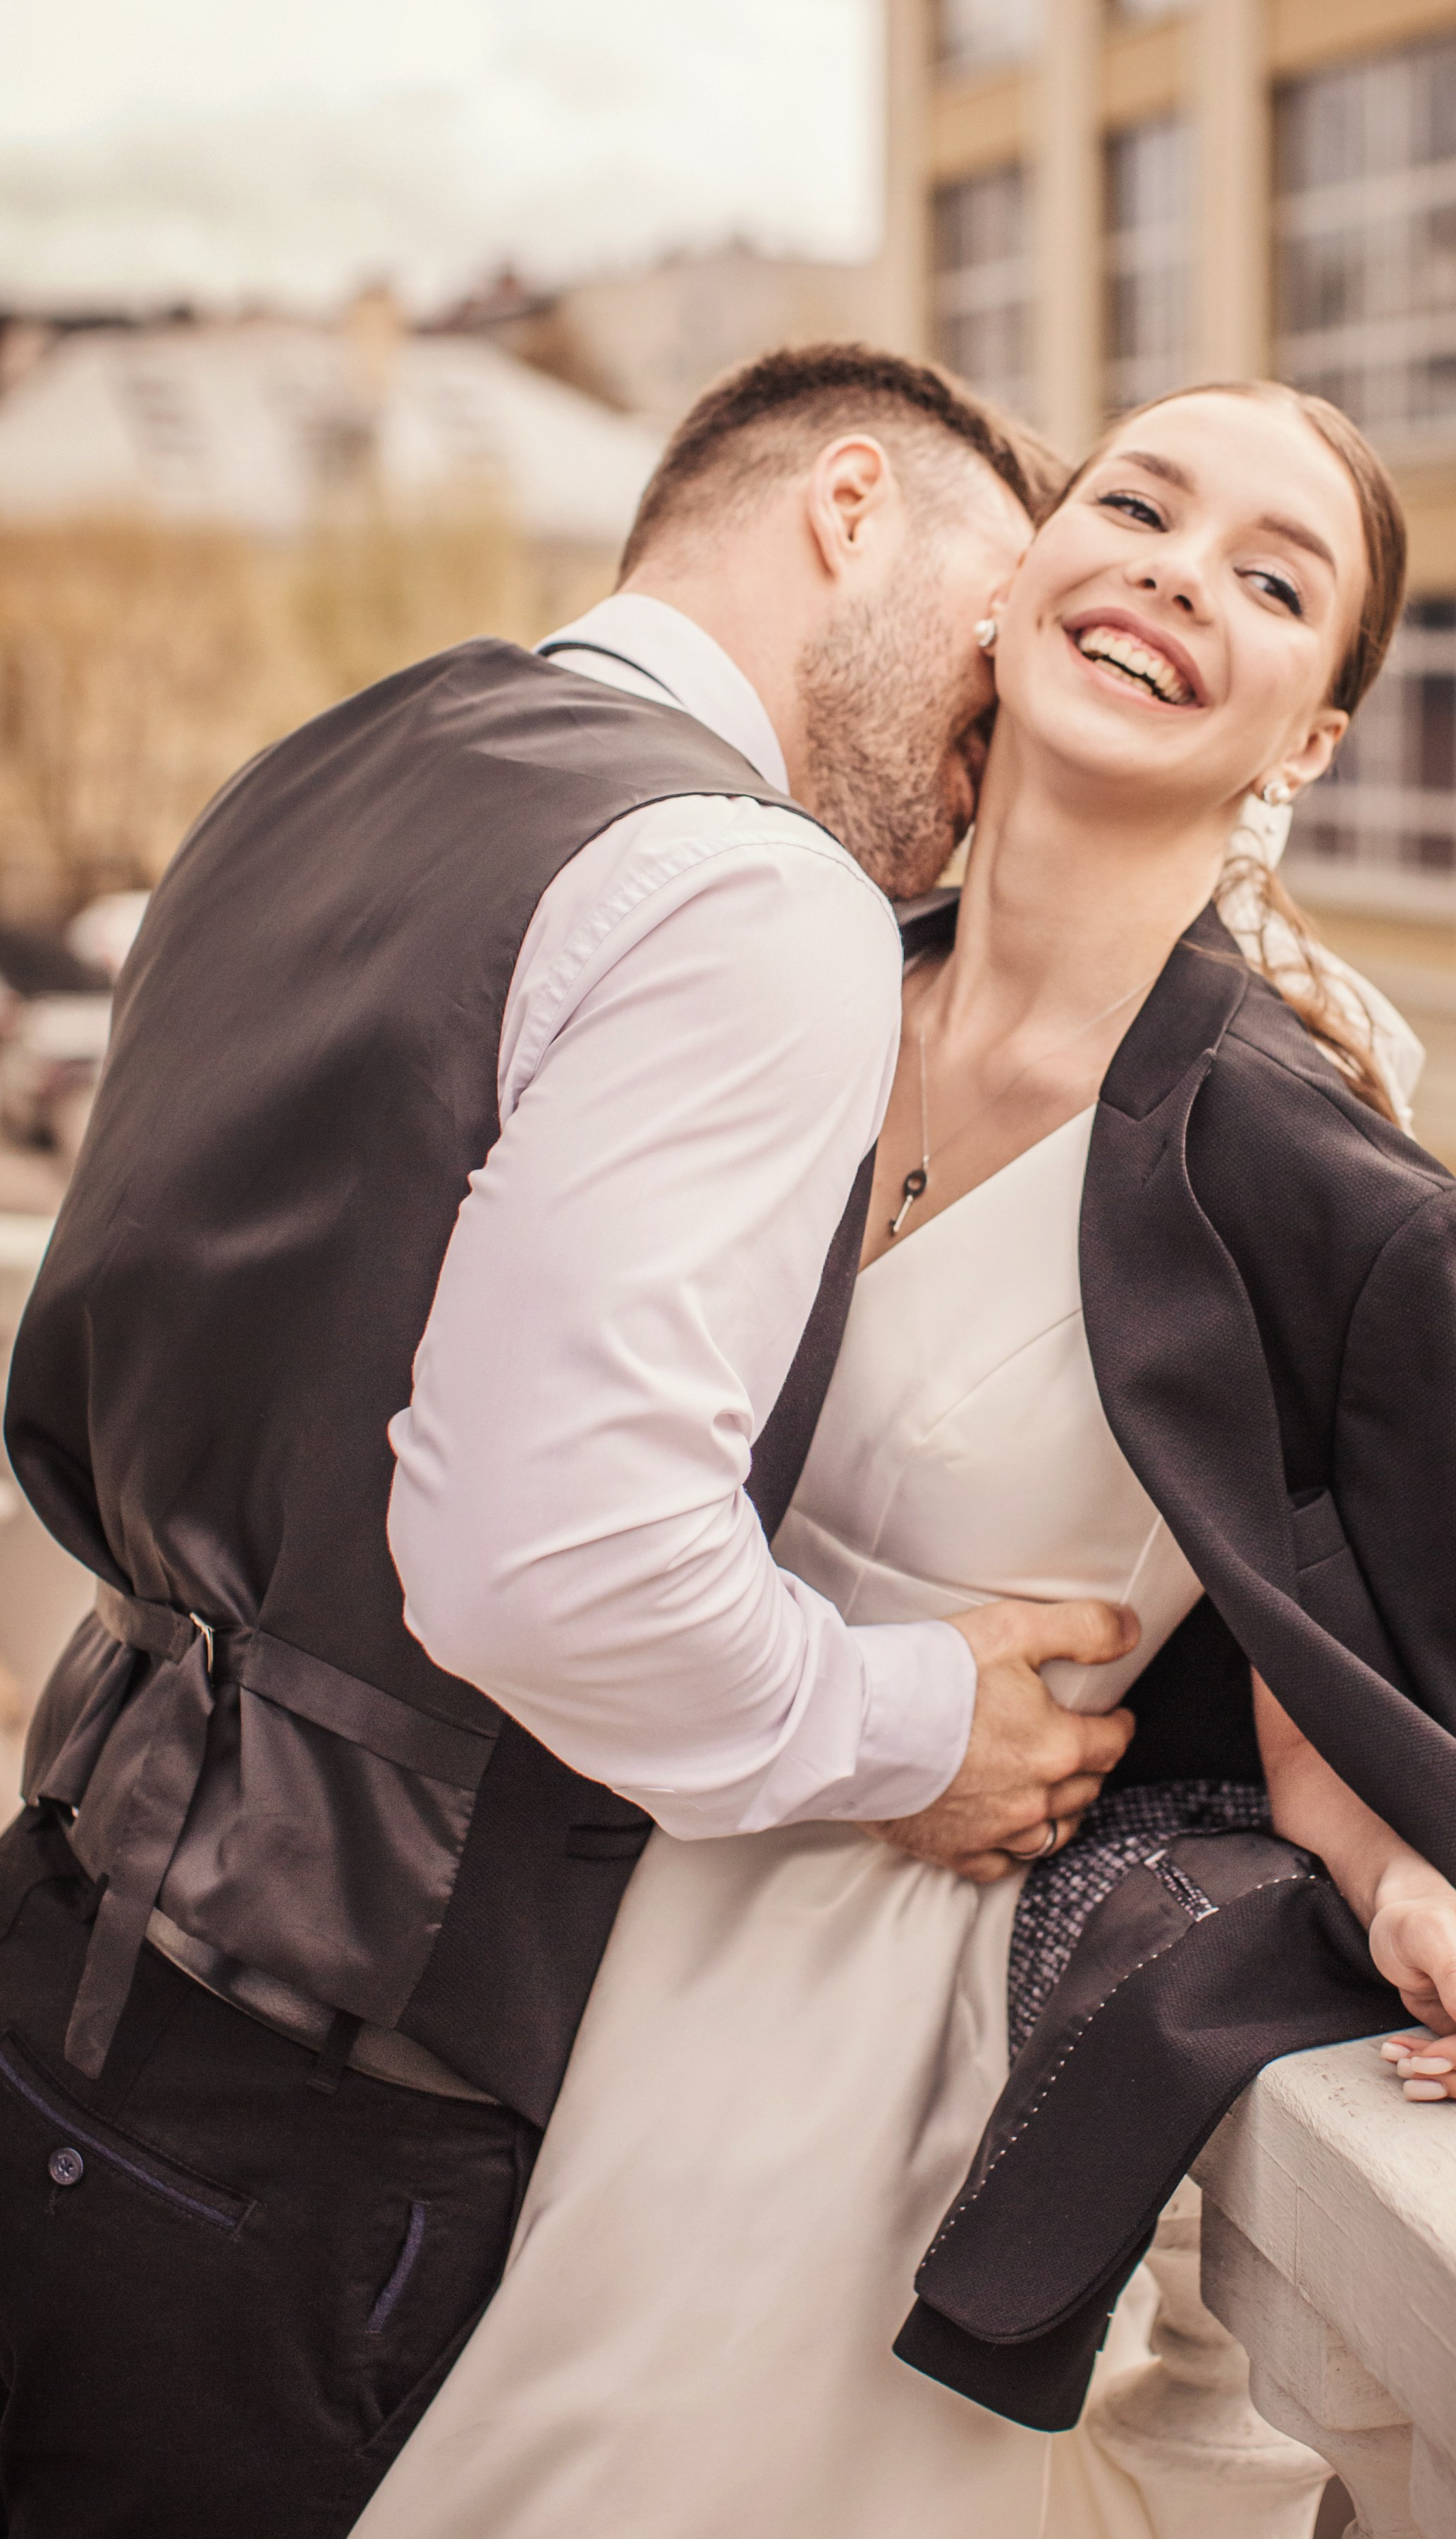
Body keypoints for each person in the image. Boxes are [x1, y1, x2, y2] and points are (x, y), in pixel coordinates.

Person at [348, 379, 1456, 2539]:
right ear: (1015, 589)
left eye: (1274, 581)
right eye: (1142, 505)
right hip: (523, 1965)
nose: (1186, 576)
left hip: (854, 2073)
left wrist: (1426, 1897)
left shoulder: (1349, 1211)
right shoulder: (755, 976)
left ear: (1307, 738)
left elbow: (1346, 1700)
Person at [0, 346, 1137, 2539]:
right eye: (998, 618)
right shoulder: (752, 889)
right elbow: (554, 1563)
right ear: (848, 504)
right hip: (303, 2117)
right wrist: (926, 1724)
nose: (1000, 722)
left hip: (56, 1938)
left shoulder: (324, 763)